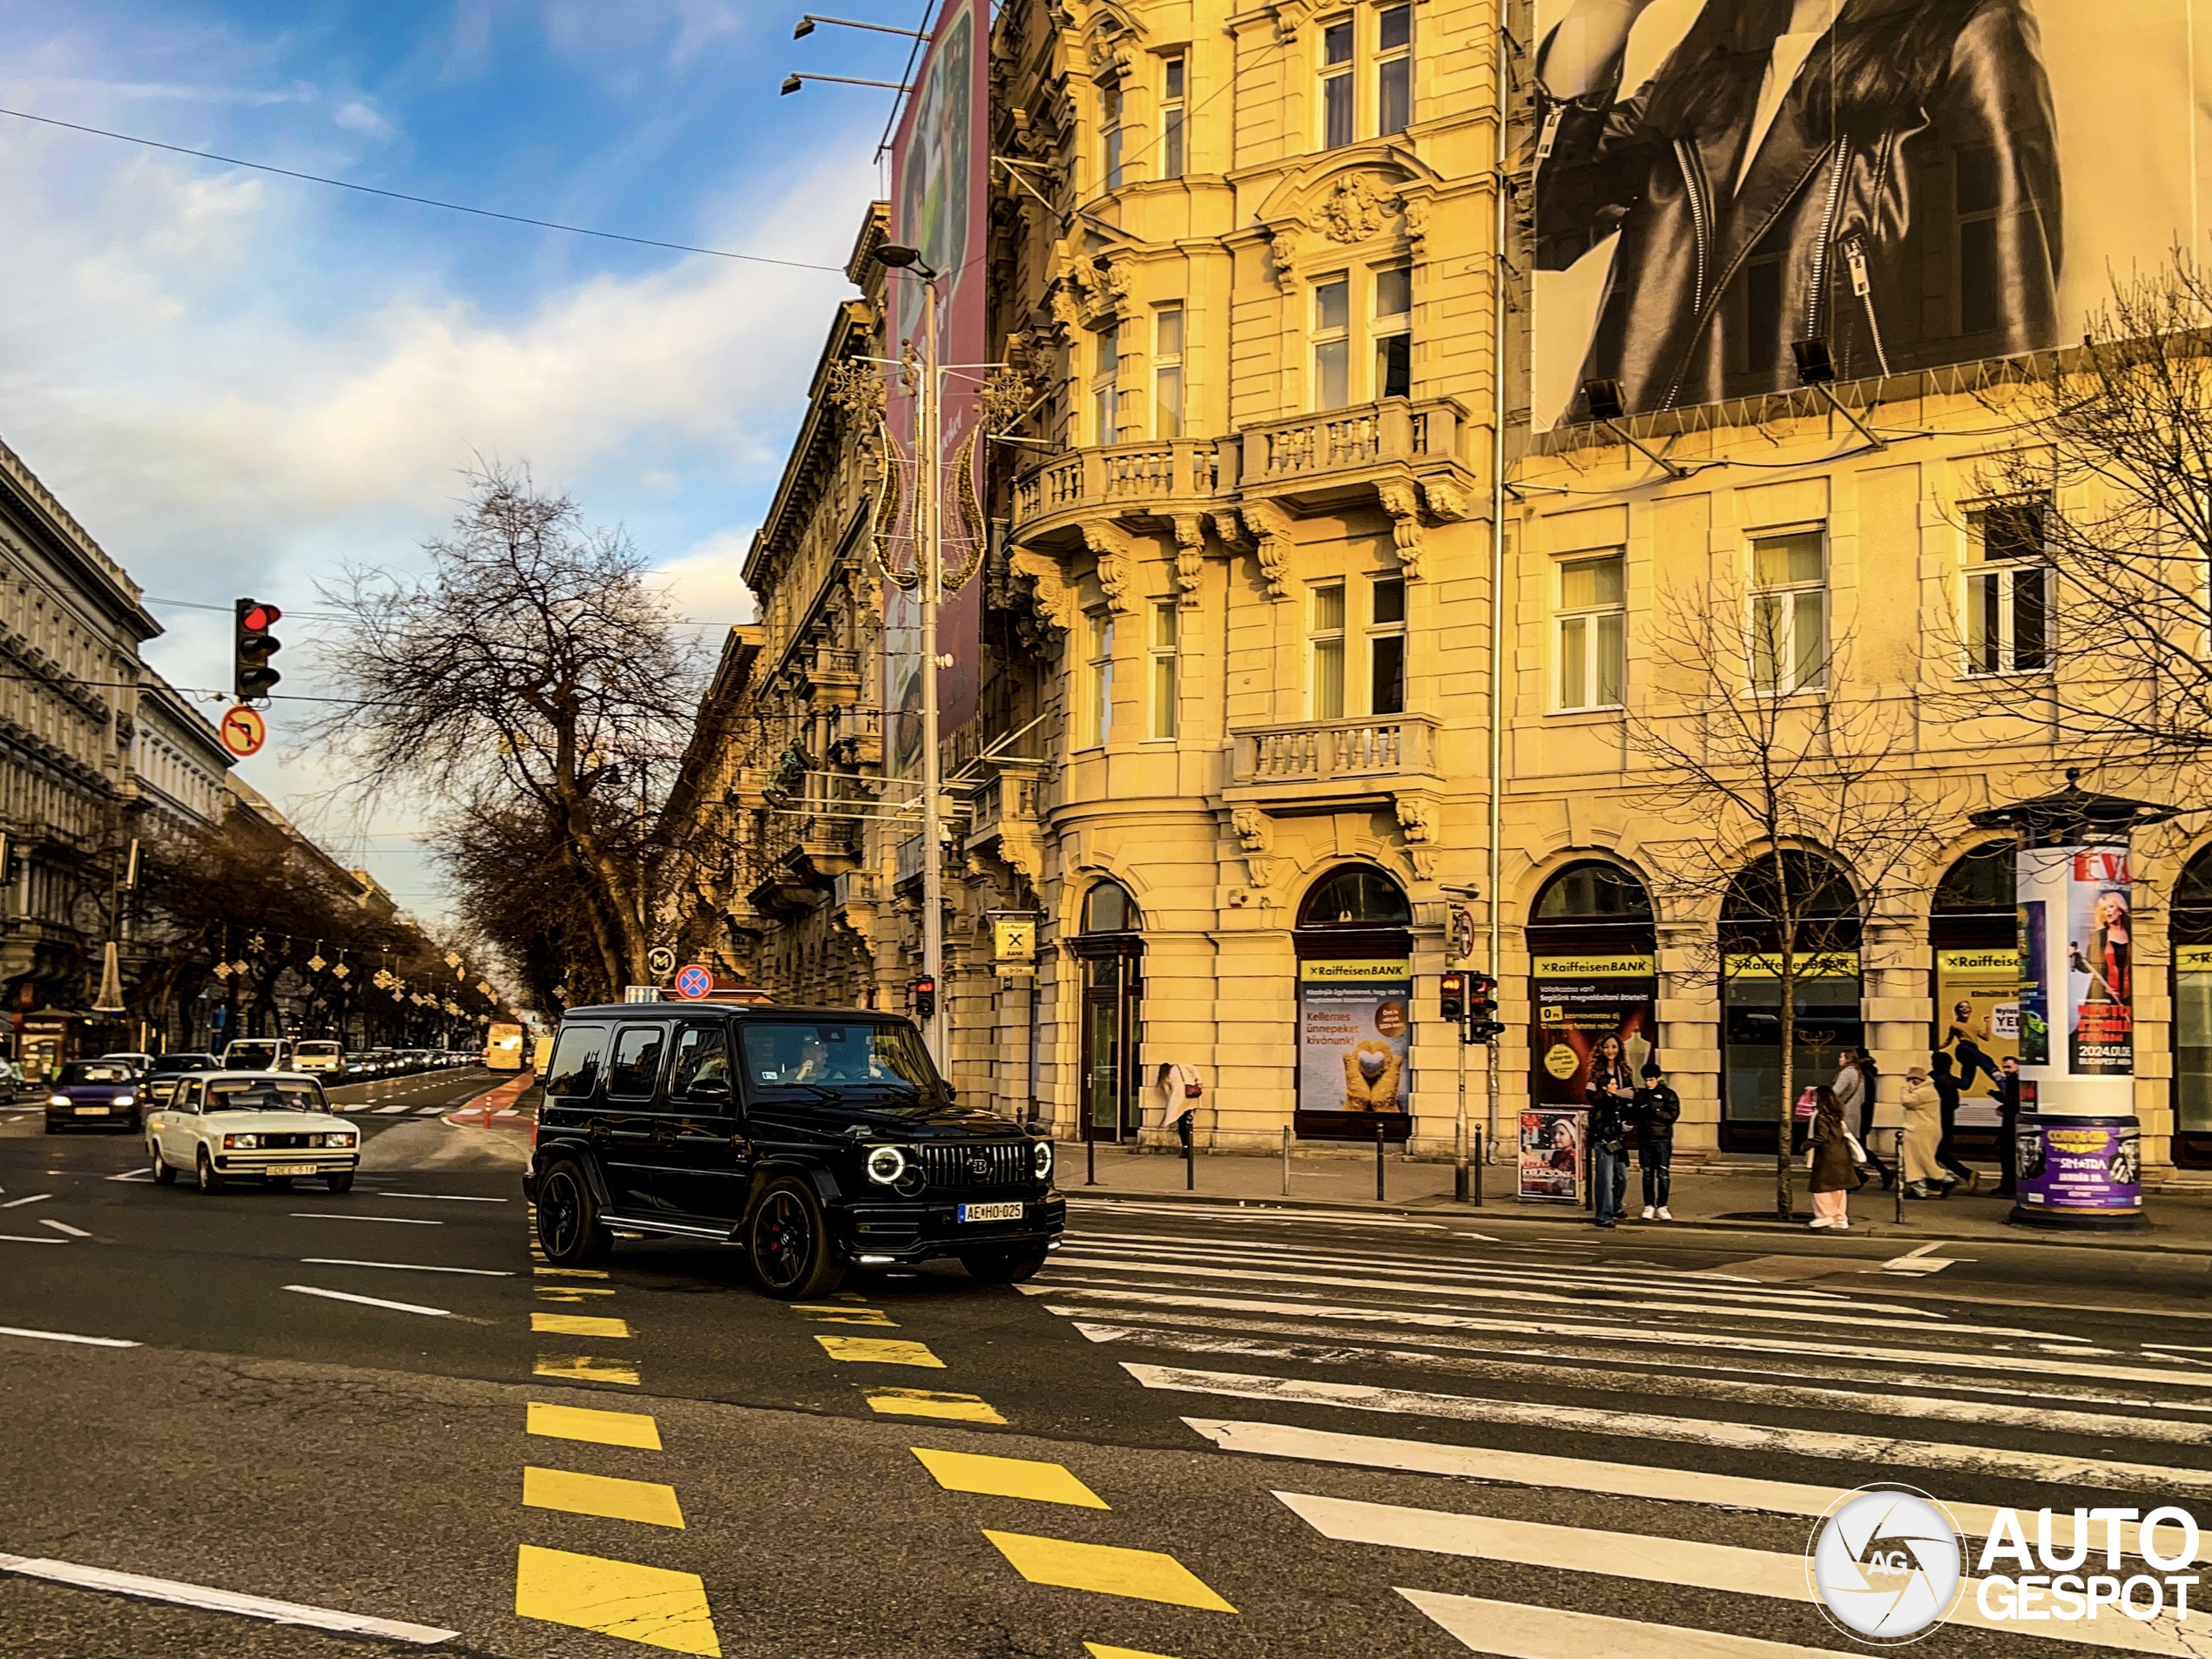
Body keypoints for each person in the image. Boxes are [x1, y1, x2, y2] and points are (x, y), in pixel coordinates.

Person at [1533, 0, 2060, 419]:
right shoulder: (1705, 62)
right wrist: (1604, 13)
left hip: (1846, 433)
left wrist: (2000, 447)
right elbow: (1535, 226)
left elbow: (2007, 275)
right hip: (1642, 448)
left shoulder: (1971, 24)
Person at [1832, 1049, 1890, 1188]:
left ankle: (1860, 1176)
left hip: (1857, 1116)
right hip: (1860, 1115)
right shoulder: (1864, 1073)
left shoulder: (1860, 1074)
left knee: (1853, 1147)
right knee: (1855, 1147)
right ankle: (1866, 1174)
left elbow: (1859, 1098)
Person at [1631, 1060, 1679, 1220]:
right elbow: (1636, 1115)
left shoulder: (1668, 1094)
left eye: (1651, 1079)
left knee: (1663, 1173)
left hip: (1662, 1138)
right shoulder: (1641, 1095)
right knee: (1647, 1173)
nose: (1648, 1083)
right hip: (1645, 1138)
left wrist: (1655, 1112)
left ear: (1657, 1078)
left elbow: (1672, 1115)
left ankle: (1663, 1205)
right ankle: (1649, 1204)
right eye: (1646, 1079)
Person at [1807, 1083, 1855, 1230]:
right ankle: (1839, 1217)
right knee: (1838, 1188)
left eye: (1815, 1096)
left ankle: (1825, 1215)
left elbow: (1821, 1136)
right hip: (1841, 1154)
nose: (1813, 1099)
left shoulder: (1820, 1115)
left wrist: (1805, 1145)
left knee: (1820, 1187)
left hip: (1826, 1155)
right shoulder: (1837, 1114)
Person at [1588, 1069, 1630, 1229]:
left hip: (1618, 1143)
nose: (1616, 1086)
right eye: (1613, 1084)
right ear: (1605, 1087)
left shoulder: (1617, 1101)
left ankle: (1615, 1206)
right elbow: (1597, 1126)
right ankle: (1603, 1215)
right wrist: (1613, 1131)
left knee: (1622, 1177)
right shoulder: (1600, 1104)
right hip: (1605, 1143)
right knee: (1605, 1180)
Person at [1929, 1049, 1976, 1191]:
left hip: (1936, 1120)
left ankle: (1938, 1183)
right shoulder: (1949, 1079)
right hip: (1947, 1120)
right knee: (1938, 1153)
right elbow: (1955, 1102)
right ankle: (1963, 1175)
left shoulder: (1934, 1079)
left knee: (1934, 1153)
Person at [1899, 1062, 1947, 1197]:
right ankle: (1921, 1187)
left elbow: (1907, 1101)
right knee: (1918, 1160)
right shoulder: (1927, 1090)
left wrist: (1904, 1088)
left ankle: (1943, 1179)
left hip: (1921, 1130)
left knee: (1920, 1160)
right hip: (1921, 1129)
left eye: (1912, 1079)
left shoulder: (1924, 1091)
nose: (1911, 1082)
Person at [1993, 1054, 2022, 1198]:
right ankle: (2006, 1186)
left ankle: (2008, 1187)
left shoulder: (2015, 1081)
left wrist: (1999, 1097)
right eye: (2004, 1067)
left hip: (2012, 1126)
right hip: (2011, 1125)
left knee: (2008, 1158)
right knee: (2007, 1158)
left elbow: (2015, 1101)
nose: (2006, 1070)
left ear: (2017, 1066)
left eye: (2009, 1066)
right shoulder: (2015, 1081)